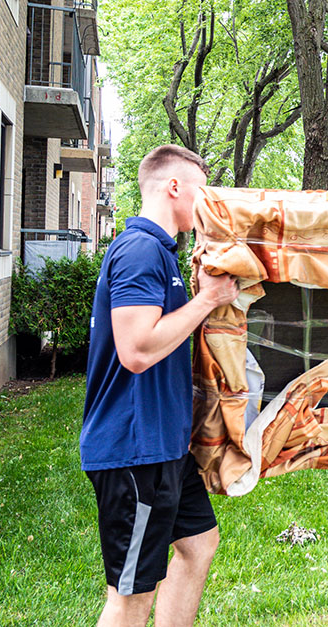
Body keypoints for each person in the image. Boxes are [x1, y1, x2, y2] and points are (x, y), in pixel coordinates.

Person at [80, 144, 239, 627]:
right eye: (201, 189)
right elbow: (137, 350)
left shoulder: (164, 252)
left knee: (199, 545)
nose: (207, 201)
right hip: (134, 452)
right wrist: (208, 300)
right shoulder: (140, 250)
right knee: (131, 596)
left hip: (165, 447)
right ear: (174, 187)